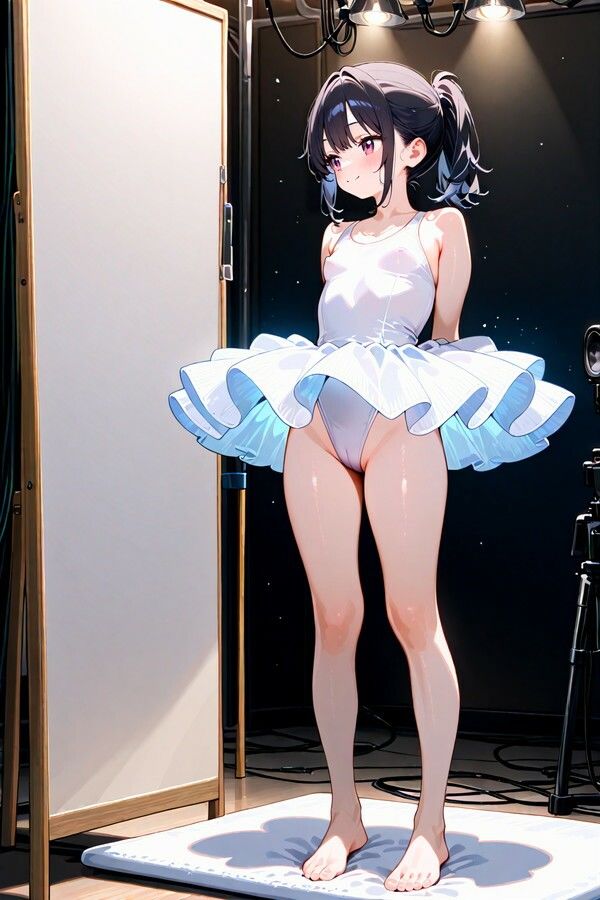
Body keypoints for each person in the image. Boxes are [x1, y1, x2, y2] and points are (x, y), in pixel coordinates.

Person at [168, 62, 575, 892]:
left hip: (399, 419)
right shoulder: (332, 240)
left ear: (411, 148)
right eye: (332, 147)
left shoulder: (440, 230)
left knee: (411, 614)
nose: (340, 159)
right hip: (319, 418)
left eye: (358, 142)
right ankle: (344, 813)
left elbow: (446, 337)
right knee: (334, 616)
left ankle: (432, 823)